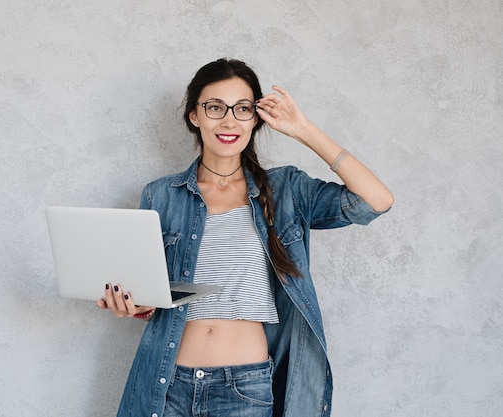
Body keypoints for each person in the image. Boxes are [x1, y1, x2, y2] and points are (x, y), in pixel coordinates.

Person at [96, 58, 393, 417]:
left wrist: (303, 130)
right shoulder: (161, 195)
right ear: (195, 115)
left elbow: (375, 201)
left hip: (244, 388)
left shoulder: (287, 190)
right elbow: (155, 294)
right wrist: (135, 306)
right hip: (166, 383)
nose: (229, 120)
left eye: (242, 109)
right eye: (215, 107)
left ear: (256, 117)